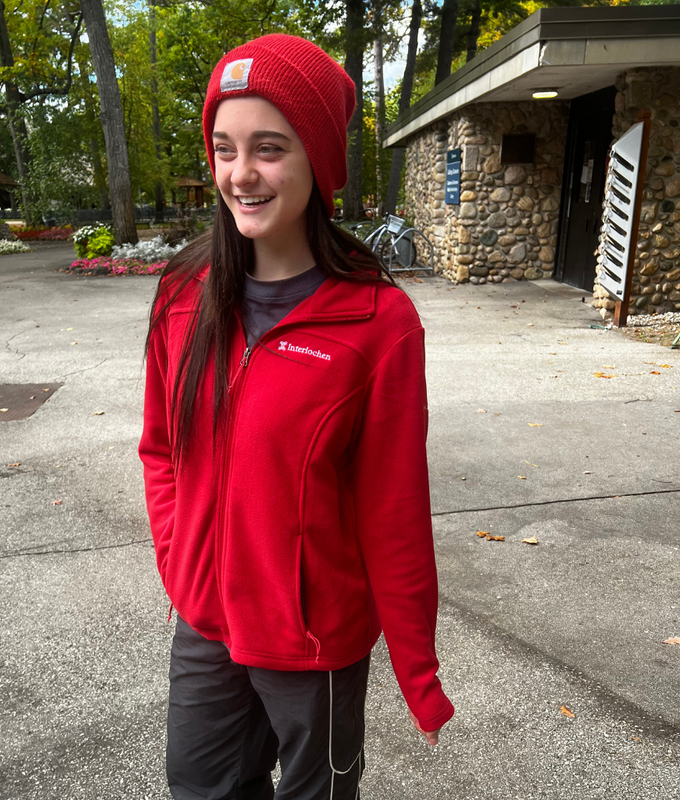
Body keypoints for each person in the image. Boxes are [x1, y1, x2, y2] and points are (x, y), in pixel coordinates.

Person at [139, 33, 454, 800]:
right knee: (200, 786)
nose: (241, 174)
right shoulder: (184, 296)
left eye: (269, 148)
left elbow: (393, 510)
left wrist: (417, 668)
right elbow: (161, 452)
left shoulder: (377, 323)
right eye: (224, 148)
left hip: (315, 645)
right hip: (207, 627)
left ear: (319, 160)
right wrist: (186, 567)